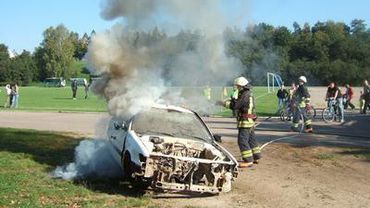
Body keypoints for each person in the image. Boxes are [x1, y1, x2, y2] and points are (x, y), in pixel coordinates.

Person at [224, 76, 261, 168]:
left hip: (245, 121)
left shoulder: (245, 95)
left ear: (242, 86)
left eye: (238, 86)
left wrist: (223, 103)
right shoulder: (248, 93)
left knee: (242, 140)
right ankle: (256, 157)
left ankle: (248, 160)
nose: (237, 88)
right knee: (251, 140)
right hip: (250, 120)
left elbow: (236, 106)